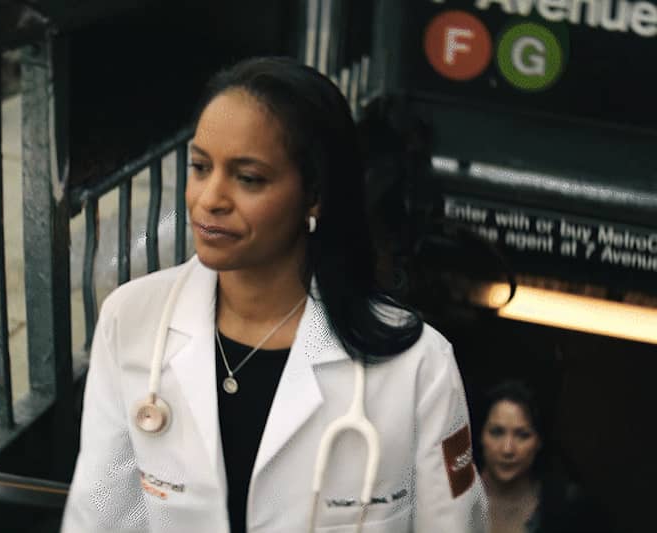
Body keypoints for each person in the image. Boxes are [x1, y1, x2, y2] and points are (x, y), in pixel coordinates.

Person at [61, 56, 487, 532]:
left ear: (315, 195)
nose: (210, 198)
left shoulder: (417, 365)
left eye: (248, 178)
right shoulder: (132, 320)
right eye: (201, 167)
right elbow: (99, 519)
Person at [478, 380, 608, 533]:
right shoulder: (451, 497)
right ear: (481, 436)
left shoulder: (566, 508)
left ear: (539, 441)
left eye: (523, 435)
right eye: (497, 432)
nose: (507, 449)